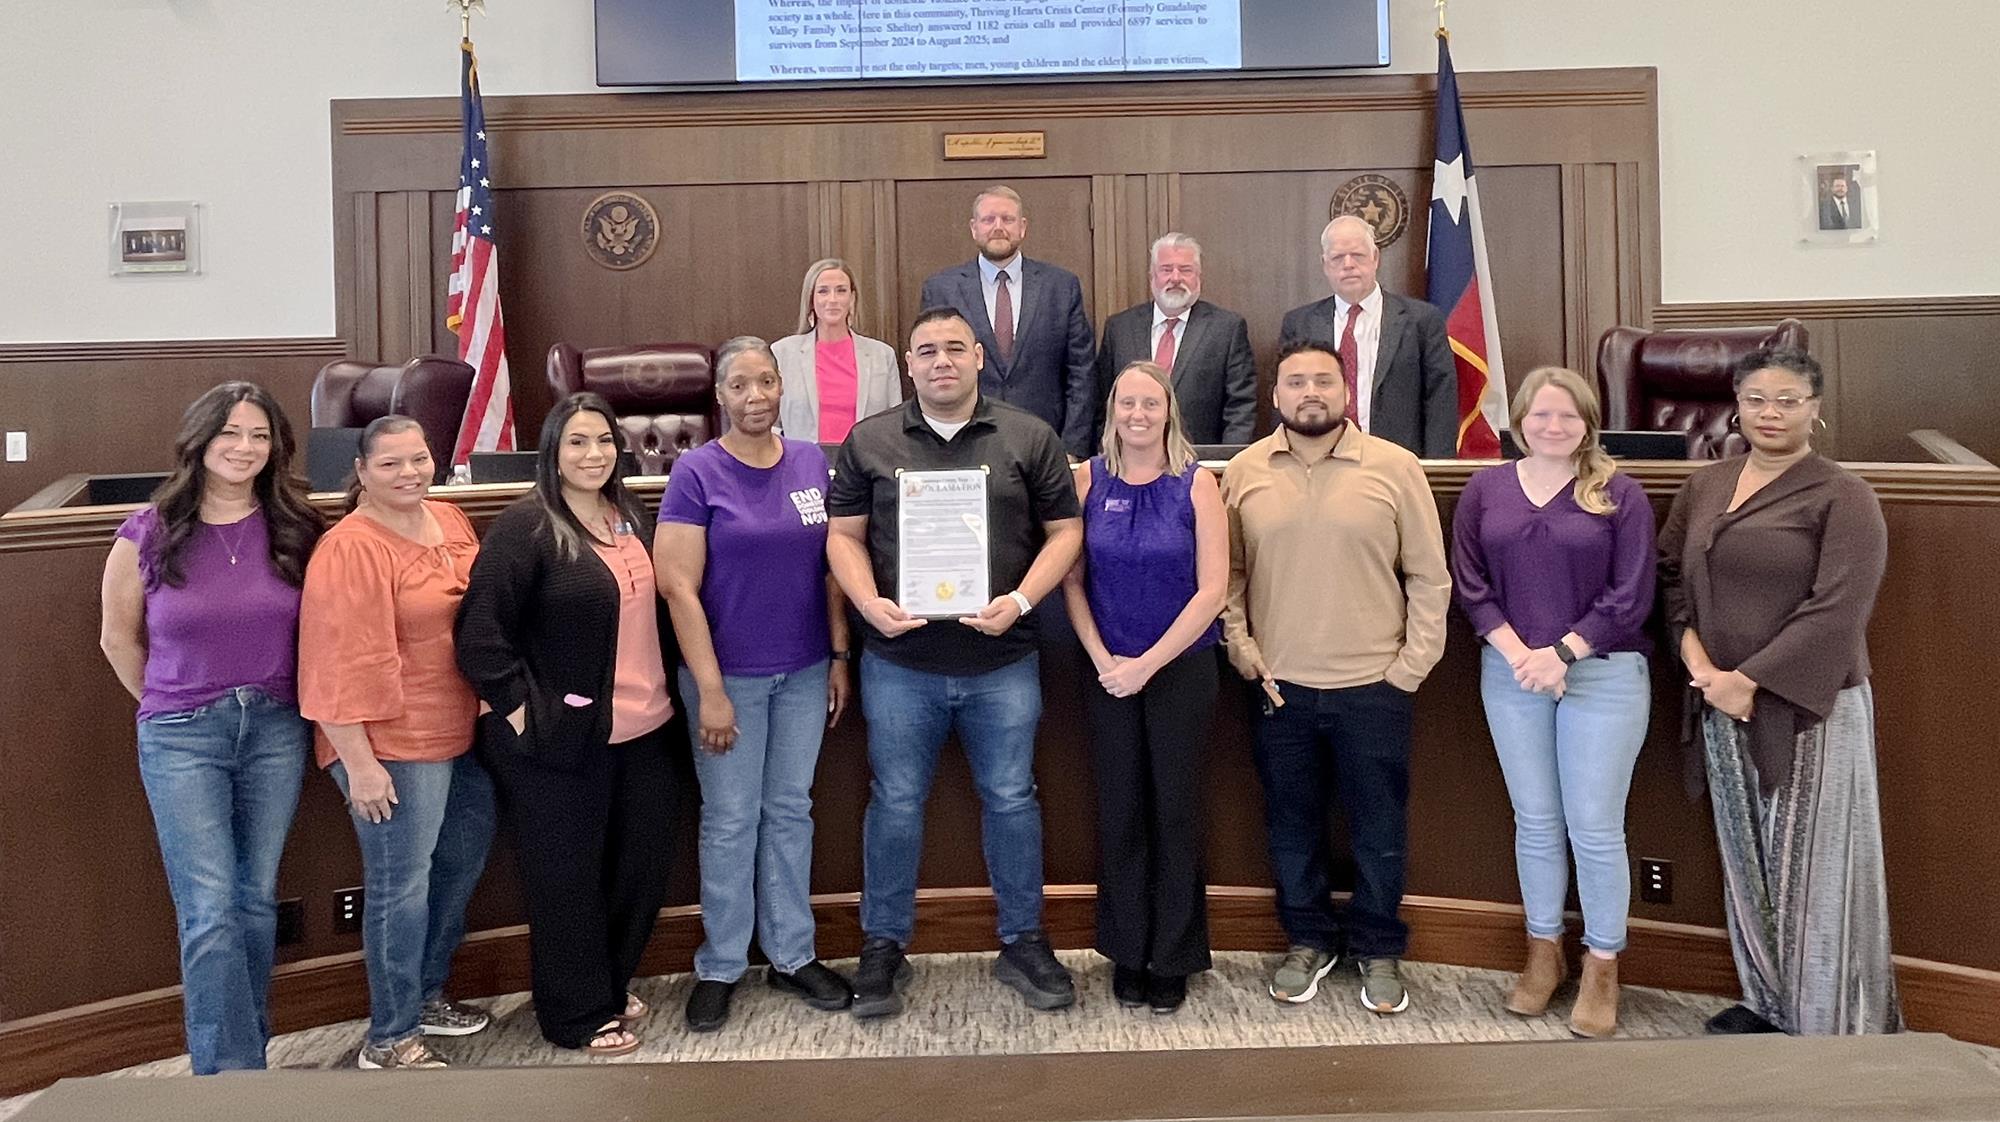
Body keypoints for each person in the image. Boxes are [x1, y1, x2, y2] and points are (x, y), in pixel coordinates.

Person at [826, 307, 1084, 1018]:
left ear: (978, 358)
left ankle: (1024, 941)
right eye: (926, 351)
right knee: (896, 804)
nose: (941, 361)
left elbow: (1066, 532)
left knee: (1012, 799)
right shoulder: (870, 440)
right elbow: (842, 537)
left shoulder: (1028, 435)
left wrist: (1025, 601)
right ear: (909, 365)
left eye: (954, 349)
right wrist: (869, 602)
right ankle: (883, 947)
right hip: (899, 660)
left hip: (1002, 659)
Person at [1658, 346, 1901, 1037]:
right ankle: (1768, 1002)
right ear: (1736, 405)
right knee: (1746, 860)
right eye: (1758, 398)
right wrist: (1703, 669)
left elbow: (1839, 608)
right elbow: (1670, 576)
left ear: (1815, 411)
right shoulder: (1706, 486)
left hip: (1809, 705)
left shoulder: (1843, 495)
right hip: (1716, 698)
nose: (1771, 412)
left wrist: (1751, 682)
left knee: (1816, 870)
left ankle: (1828, 1024)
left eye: (1788, 400)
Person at [98, 382, 326, 1074]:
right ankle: (226, 1079)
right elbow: (117, 638)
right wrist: (172, 702)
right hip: (181, 735)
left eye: (260, 436)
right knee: (211, 909)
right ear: (200, 440)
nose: (245, 448)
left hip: (275, 730)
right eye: (231, 433)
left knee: (256, 906)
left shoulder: (298, 529)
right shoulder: (148, 530)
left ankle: (242, 1058)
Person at [1220, 338, 1450, 1015]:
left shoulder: (1395, 467)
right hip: (1277, 687)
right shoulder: (1244, 469)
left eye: (1324, 380)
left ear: (1346, 392)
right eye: (1296, 382)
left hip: (1374, 687)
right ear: (1276, 395)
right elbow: (1227, 576)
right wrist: (1241, 646)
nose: (1310, 392)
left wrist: (1410, 669)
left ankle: (1378, 947)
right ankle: (1308, 939)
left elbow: (1429, 578)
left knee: (1378, 828)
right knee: (1291, 825)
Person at [453, 393, 680, 1057]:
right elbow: (480, 637)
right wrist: (526, 713)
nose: (593, 455)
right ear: (552, 452)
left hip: (647, 729)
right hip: (559, 739)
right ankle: (576, 1014)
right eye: (577, 443)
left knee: (640, 868)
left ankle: (606, 982)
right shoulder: (526, 526)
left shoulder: (629, 513)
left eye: (604, 442)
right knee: (568, 880)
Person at [655, 338, 856, 1032]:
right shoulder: (695, 472)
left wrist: (837, 655)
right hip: (727, 678)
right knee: (732, 821)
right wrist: (709, 689)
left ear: (781, 387)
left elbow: (830, 567)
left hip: (803, 671)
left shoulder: (809, 462)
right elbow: (677, 587)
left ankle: (793, 955)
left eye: (765, 382)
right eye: (739, 385)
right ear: (720, 396)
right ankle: (720, 963)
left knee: (790, 812)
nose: (754, 397)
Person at [1450, 367, 1656, 1038]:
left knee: (1594, 827)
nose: (1553, 426)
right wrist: (1522, 657)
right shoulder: (1486, 489)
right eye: (1540, 414)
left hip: (1604, 674)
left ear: (1588, 423)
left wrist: (1562, 654)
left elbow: (1631, 595)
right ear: (1519, 419)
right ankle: (1545, 953)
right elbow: (1471, 584)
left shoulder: (1620, 493)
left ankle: (1602, 965)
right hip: (1511, 671)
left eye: (1568, 416)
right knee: (1535, 821)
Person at [298, 415, 496, 1070]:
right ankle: (390, 1036)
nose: (409, 473)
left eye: (418, 458)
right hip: (387, 742)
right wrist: (360, 764)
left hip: (457, 729)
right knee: (399, 886)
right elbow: (330, 664)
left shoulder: (450, 519)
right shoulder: (349, 547)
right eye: (390, 464)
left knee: (462, 856)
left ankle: (427, 993)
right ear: (360, 472)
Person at [1060, 361, 1226, 1015]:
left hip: (1180, 670)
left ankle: (1174, 956)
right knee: (1121, 811)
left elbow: (1212, 589)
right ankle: (1128, 951)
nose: (1137, 413)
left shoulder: (1198, 483)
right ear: (1113, 412)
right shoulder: (1086, 480)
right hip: (1107, 672)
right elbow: (1071, 581)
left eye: (1149, 403)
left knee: (1175, 812)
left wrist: (1147, 664)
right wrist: (1106, 659)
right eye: (1126, 402)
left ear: (1168, 411)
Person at [919, 184, 1098, 458]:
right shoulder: (942, 288)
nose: (998, 227)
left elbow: (1081, 374)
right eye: (989, 219)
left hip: (1045, 445)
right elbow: (931, 371)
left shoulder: (1060, 286)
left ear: (1022, 227)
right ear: (974, 227)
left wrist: (1071, 448)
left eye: (1008, 219)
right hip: (963, 442)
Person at [1278, 215, 1458, 458]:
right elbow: (1286, 398)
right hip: (1318, 461)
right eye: (1338, 258)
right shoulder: (1300, 323)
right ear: (1325, 265)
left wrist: (1436, 468)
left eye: (1358, 255)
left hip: (1397, 461)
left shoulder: (1421, 320)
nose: (1348, 264)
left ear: (1375, 259)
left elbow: (1441, 400)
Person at [1093, 233, 1257, 446]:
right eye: (1166, 269)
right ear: (1152, 276)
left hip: (1201, 462)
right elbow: (1102, 402)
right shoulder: (1119, 328)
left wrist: (1227, 461)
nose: (1176, 278)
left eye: (1186, 270)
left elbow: (1241, 407)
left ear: (1199, 277)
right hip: (1130, 462)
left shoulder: (1227, 329)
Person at [773, 258, 905, 443]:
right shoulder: (782, 353)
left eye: (841, 291)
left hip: (864, 465)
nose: (832, 299)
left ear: (852, 298)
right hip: (804, 464)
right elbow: (772, 424)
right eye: (823, 291)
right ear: (811, 299)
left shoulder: (882, 355)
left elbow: (894, 423)